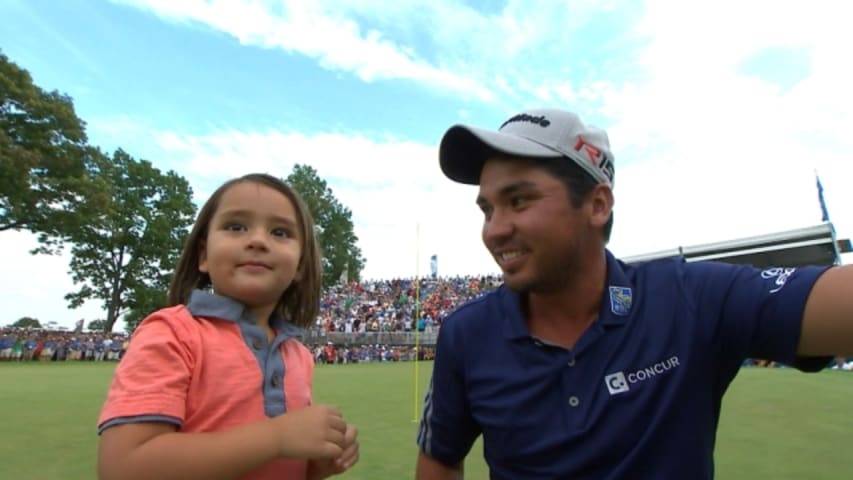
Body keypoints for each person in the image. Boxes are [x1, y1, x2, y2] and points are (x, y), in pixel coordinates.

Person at [415, 108, 853, 479]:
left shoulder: (687, 299)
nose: (494, 230)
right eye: (487, 209)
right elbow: (441, 460)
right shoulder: (466, 334)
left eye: (519, 201)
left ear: (597, 205)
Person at [97, 173, 359, 480]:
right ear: (203, 255)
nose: (258, 240)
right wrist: (277, 437)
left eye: (280, 232)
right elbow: (123, 467)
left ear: (300, 265)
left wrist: (313, 465)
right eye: (236, 227)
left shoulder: (298, 354)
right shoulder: (172, 333)